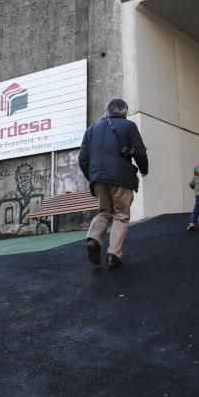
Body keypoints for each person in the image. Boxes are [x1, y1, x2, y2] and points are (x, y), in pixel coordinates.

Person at [78, 98, 149, 269]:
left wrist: (93, 177)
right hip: (121, 178)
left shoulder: (91, 129)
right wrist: (144, 169)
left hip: (98, 177)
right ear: (124, 111)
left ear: (107, 111)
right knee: (121, 215)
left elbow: (82, 158)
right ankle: (113, 254)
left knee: (104, 212)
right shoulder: (128, 126)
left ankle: (94, 240)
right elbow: (139, 151)